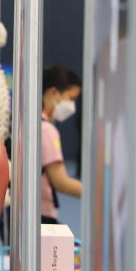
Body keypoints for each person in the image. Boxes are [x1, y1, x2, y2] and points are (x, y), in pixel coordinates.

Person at [41, 65, 82, 224]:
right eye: (70, 98)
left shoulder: (33, 126)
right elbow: (61, 181)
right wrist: (97, 194)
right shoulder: (47, 131)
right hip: (42, 215)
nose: (72, 106)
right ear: (53, 92)